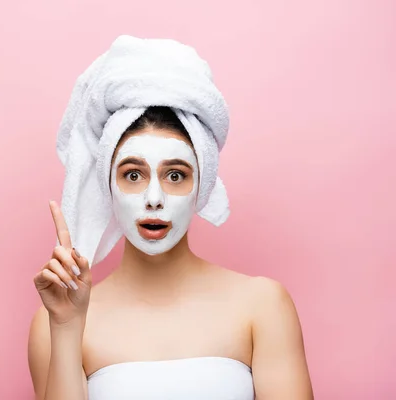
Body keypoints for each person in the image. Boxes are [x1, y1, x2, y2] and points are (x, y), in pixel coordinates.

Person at [28, 36, 313, 399]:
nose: (153, 199)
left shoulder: (262, 305)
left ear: (202, 184)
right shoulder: (55, 321)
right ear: (107, 185)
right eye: (133, 174)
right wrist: (67, 329)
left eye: (175, 175)